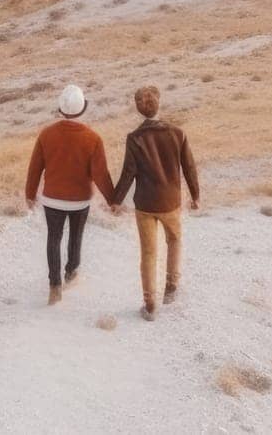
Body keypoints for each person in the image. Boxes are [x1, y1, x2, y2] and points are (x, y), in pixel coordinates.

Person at [110, 84, 199, 321]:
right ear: (160, 102)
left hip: (145, 204)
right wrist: (195, 195)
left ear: (139, 109)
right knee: (175, 239)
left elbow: (128, 173)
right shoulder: (177, 133)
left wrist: (116, 200)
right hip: (170, 201)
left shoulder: (134, 138)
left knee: (148, 253)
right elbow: (189, 167)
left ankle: (150, 303)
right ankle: (171, 287)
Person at [24, 84, 115, 305]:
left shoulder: (46, 134)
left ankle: (54, 286)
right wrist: (113, 199)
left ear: (61, 109)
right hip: (79, 199)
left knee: (53, 238)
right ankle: (71, 272)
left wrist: (30, 194)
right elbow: (100, 173)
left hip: (52, 198)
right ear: (83, 108)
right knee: (76, 235)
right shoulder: (93, 138)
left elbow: (35, 167)